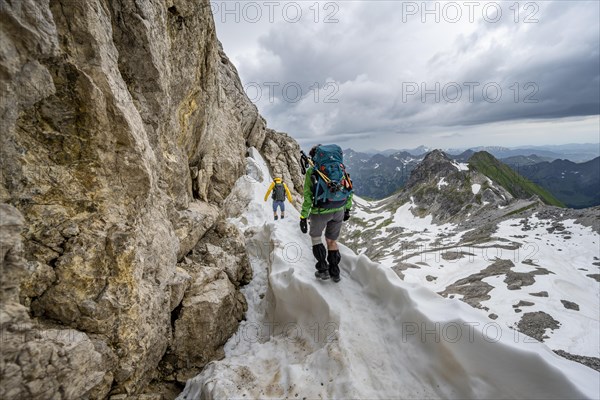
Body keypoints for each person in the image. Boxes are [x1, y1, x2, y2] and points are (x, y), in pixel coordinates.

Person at [299, 145, 352, 283]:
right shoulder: (340, 168)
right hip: (339, 209)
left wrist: (304, 216)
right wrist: (347, 209)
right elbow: (349, 189)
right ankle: (335, 271)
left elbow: (308, 197)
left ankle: (323, 269)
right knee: (332, 241)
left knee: (316, 238)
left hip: (320, 211)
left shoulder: (313, 171)